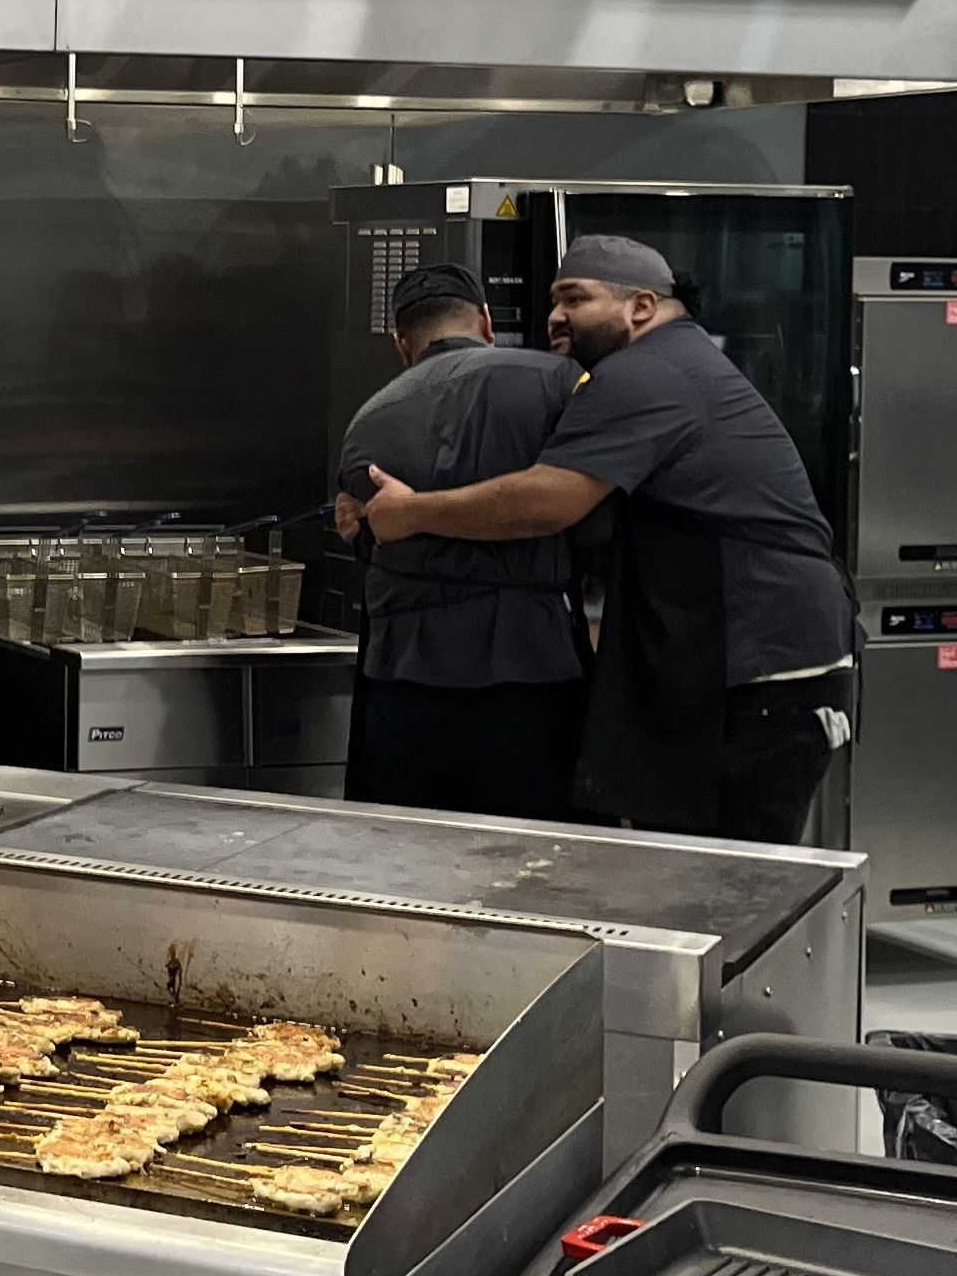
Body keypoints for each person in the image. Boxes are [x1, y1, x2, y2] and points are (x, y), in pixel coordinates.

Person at [346, 234, 854, 844]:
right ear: (482, 321)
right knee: (697, 866)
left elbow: (548, 500)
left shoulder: (646, 373)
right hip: (744, 658)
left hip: (762, 663)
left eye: (576, 299)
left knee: (731, 876)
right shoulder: (661, 365)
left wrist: (410, 513)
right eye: (554, 301)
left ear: (642, 306)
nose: (555, 317)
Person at [335, 261, 588, 820]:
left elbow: (368, 542)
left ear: (402, 343)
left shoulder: (365, 424)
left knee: (414, 855)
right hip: (533, 670)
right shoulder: (558, 383)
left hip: (407, 685)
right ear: (486, 320)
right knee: (532, 856)